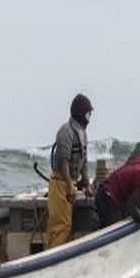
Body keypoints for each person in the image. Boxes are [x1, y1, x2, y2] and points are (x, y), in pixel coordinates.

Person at [45, 93, 93, 249]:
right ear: (81, 112)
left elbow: (83, 161)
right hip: (60, 183)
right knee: (61, 226)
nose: (89, 117)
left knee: (64, 225)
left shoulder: (83, 133)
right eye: (88, 113)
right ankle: (52, 259)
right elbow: (64, 160)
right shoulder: (66, 131)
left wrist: (86, 184)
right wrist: (68, 185)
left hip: (70, 182)